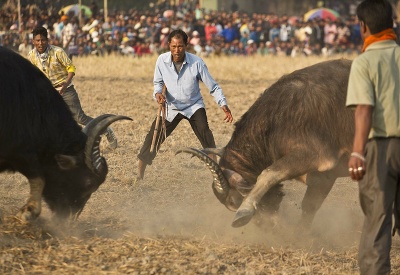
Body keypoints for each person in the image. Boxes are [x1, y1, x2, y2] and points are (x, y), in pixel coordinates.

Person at [345, 1, 400, 274]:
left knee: (377, 224)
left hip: (381, 149)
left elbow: (364, 110)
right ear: (392, 23)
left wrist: (357, 152)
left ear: (363, 26)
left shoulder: (364, 63)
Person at [136, 29, 233, 180]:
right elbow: (158, 83)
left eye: (180, 46)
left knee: (205, 134)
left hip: (193, 106)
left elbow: (213, 86)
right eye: (173, 46)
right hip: (171, 107)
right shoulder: (162, 60)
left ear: (186, 45)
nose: (177, 50)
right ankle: (139, 176)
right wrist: (158, 94)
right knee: (153, 137)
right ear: (168, 45)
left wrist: (223, 104)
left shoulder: (197, 62)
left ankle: (218, 174)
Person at [28, 26, 118, 149]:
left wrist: (64, 86)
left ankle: (106, 129)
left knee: (79, 117)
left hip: (66, 89)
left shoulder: (58, 52)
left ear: (47, 40)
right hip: (49, 92)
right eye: (37, 40)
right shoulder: (31, 55)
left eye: (43, 40)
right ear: (33, 41)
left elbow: (71, 69)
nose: (40, 43)